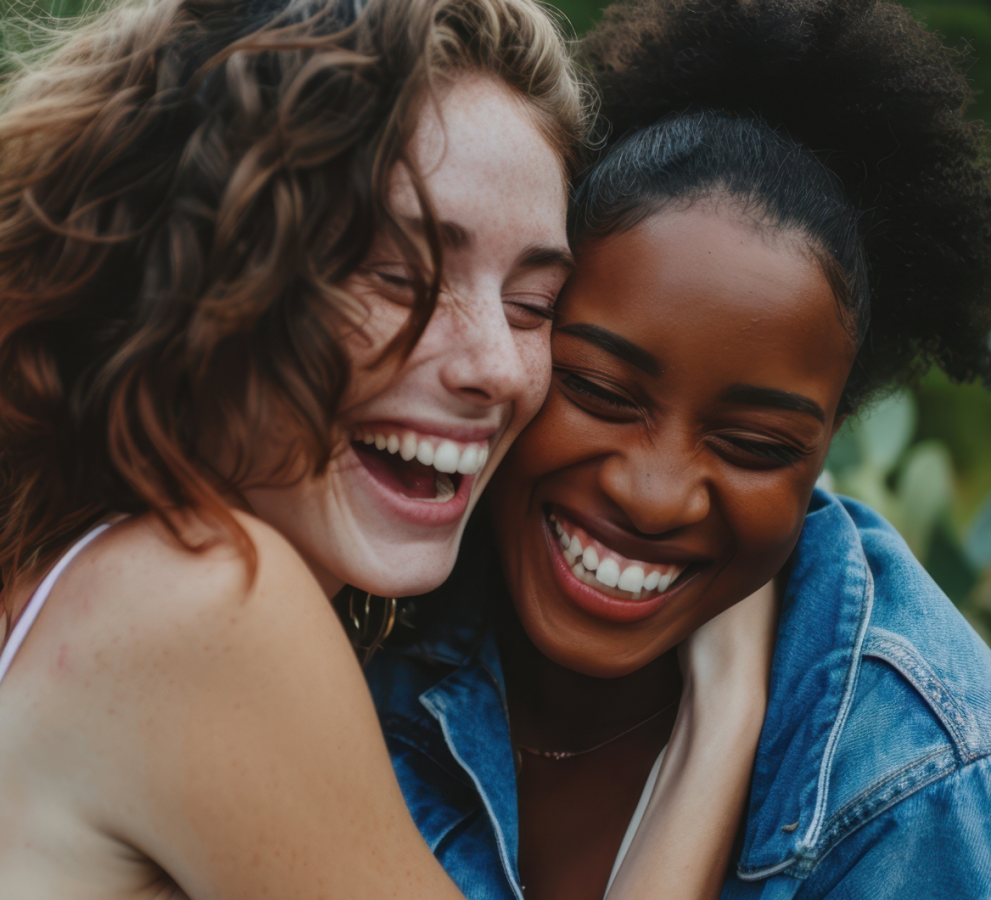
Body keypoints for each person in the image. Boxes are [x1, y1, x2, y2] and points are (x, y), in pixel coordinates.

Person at [0, 0, 777, 898]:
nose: (498, 365)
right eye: (401, 276)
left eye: (534, 306)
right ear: (199, 268)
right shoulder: (207, 598)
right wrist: (723, 721)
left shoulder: (77, 580)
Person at [364, 0, 991, 897]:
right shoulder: (358, 590)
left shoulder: (920, 778)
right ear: (521, 335)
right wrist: (721, 725)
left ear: (826, 454)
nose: (656, 495)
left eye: (754, 445)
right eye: (599, 391)